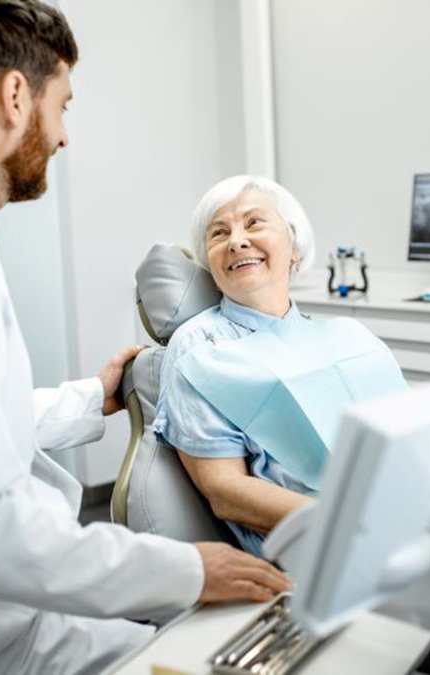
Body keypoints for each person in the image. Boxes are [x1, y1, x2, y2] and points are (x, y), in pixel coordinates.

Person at [0, 3, 290, 674]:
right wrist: (185, 569)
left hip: (23, 610)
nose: (62, 136)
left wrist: (92, 396)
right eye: (64, 105)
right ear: (16, 94)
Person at [154, 174, 408, 556]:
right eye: (218, 234)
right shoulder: (201, 346)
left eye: (254, 223)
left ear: (293, 246)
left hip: (399, 515)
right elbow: (226, 492)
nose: (237, 240)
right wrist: (350, 523)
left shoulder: (347, 335)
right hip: (319, 545)